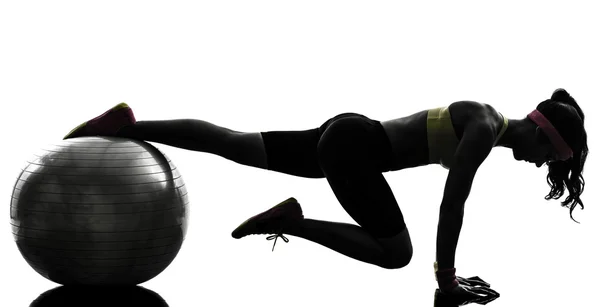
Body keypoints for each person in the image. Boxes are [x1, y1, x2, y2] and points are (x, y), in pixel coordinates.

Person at [63, 88, 587, 303]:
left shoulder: (486, 124)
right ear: (542, 134)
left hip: (348, 139)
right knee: (397, 254)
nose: (543, 165)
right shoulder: (486, 126)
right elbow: (454, 201)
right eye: (552, 157)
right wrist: (446, 280)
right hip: (353, 149)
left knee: (232, 143)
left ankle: (128, 128)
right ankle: (293, 221)